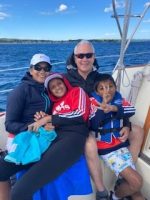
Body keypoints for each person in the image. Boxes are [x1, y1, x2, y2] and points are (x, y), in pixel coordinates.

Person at [65, 40, 144, 200]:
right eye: (80, 55)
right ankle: (107, 191)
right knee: (90, 142)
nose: (85, 59)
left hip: (107, 121)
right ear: (74, 58)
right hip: (84, 127)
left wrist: (126, 125)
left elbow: (117, 101)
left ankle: (124, 176)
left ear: (94, 57)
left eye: (89, 55)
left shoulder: (100, 79)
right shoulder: (66, 81)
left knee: (138, 130)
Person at [0, 71, 91, 200]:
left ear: (65, 83)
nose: (57, 87)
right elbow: (53, 122)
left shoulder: (76, 92)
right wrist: (45, 121)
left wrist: (49, 118)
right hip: (52, 138)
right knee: (2, 169)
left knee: (19, 192)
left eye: (59, 83)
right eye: (52, 87)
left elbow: (81, 115)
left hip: (72, 139)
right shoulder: (54, 105)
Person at [0, 53, 52, 200]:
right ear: (30, 70)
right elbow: (9, 125)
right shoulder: (20, 92)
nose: (42, 71)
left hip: (44, 138)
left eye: (46, 68)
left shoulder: (48, 89)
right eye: (38, 67)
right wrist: (34, 125)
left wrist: (45, 122)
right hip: (24, 140)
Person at [90, 73, 144, 200]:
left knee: (137, 193)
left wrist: (114, 107)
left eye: (110, 86)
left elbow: (131, 110)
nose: (107, 91)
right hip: (107, 150)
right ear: (96, 91)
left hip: (121, 144)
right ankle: (115, 196)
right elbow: (93, 123)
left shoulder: (119, 99)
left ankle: (121, 187)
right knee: (137, 183)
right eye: (102, 88)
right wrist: (103, 107)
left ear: (115, 87)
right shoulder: (93, 102)